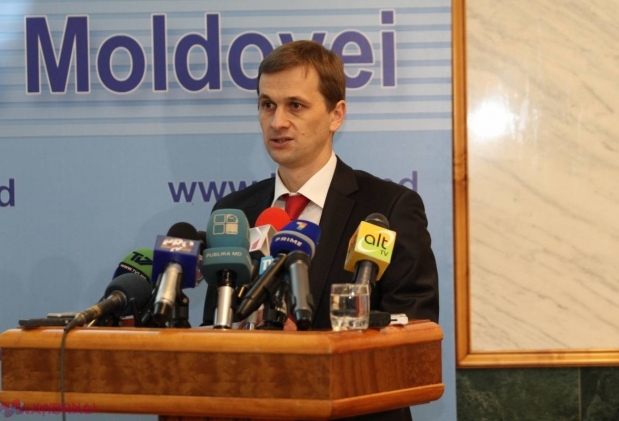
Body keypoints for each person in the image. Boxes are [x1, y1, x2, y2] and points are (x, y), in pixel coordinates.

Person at [203, 40, 439, 421]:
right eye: (267, 105)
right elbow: (215, 329)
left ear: (336, 115)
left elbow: (412, 338)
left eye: (295, 105)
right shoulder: (233, 214)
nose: (277, 122)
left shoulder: (389, 208)